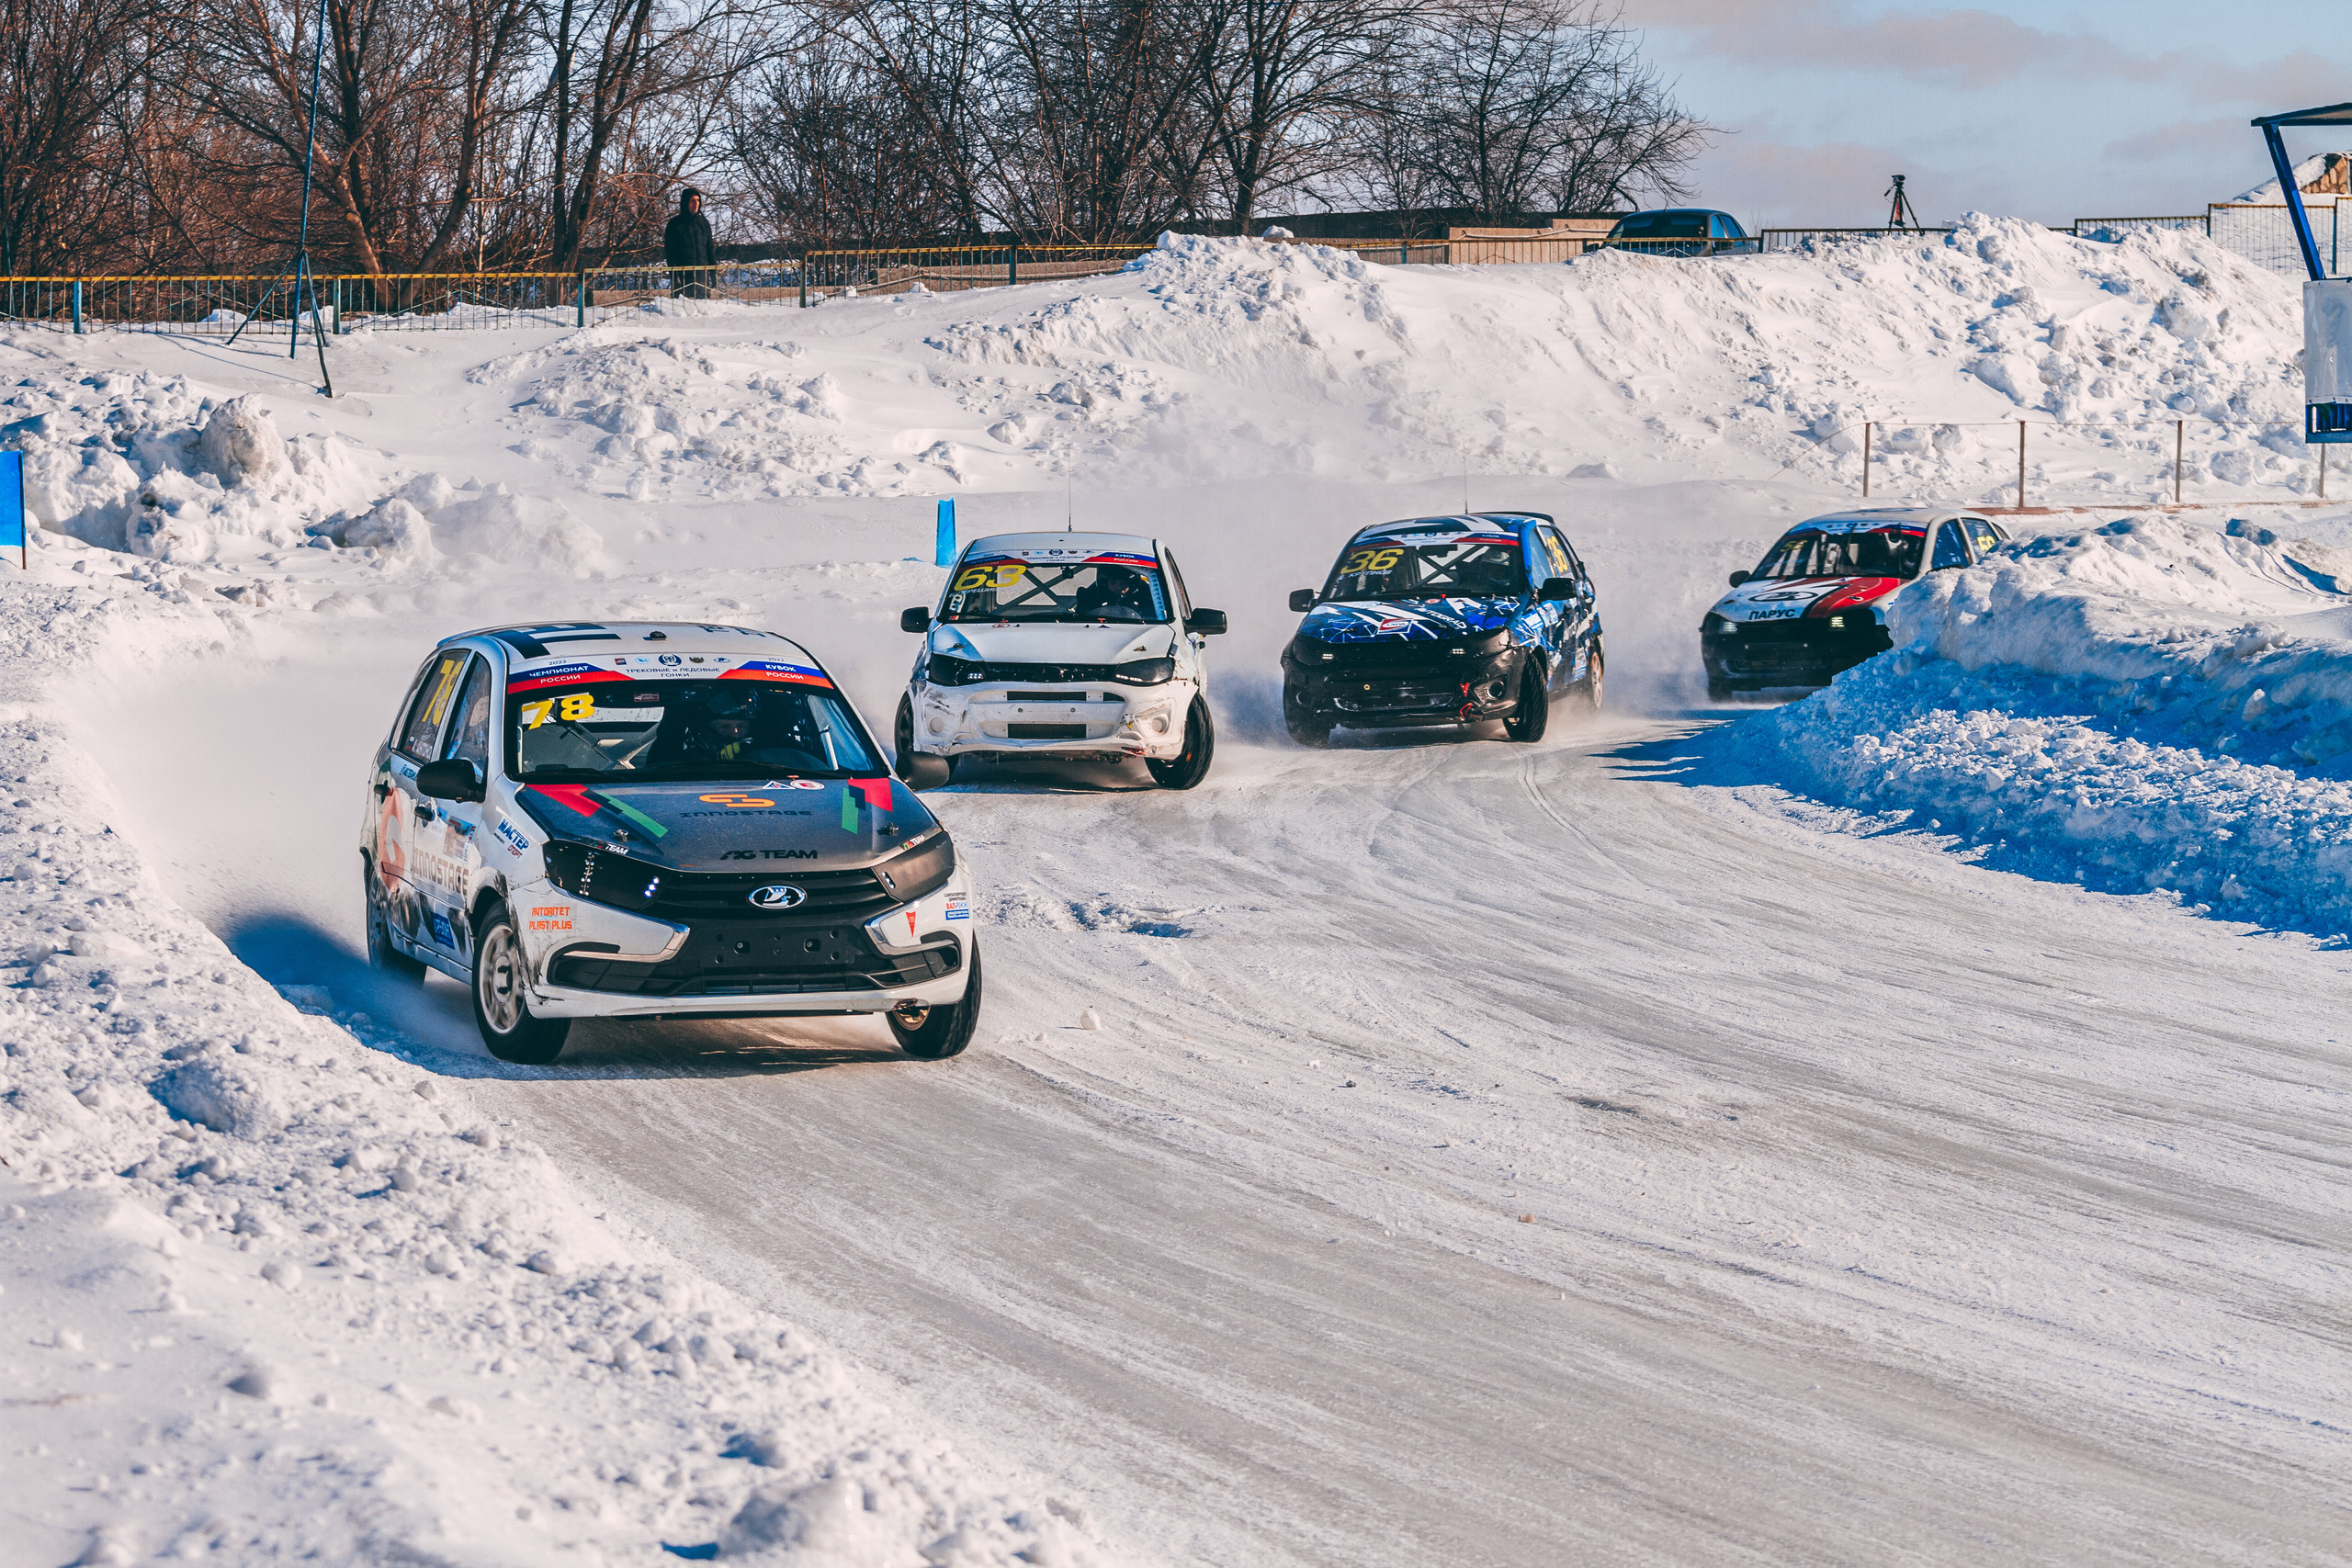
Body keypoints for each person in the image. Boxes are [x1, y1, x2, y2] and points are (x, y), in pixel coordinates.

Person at [664, 188, 717, 299]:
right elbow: (670, 253)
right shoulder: (675, 224)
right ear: (685, 202)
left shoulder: (704, 223)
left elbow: (710, 249)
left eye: (698, 200)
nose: (696, 203)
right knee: (683, 311)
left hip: (702, 277)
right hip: (683, 276)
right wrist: (675, 276)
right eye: (692, 200)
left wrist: (713, 272)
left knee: (704, 311)